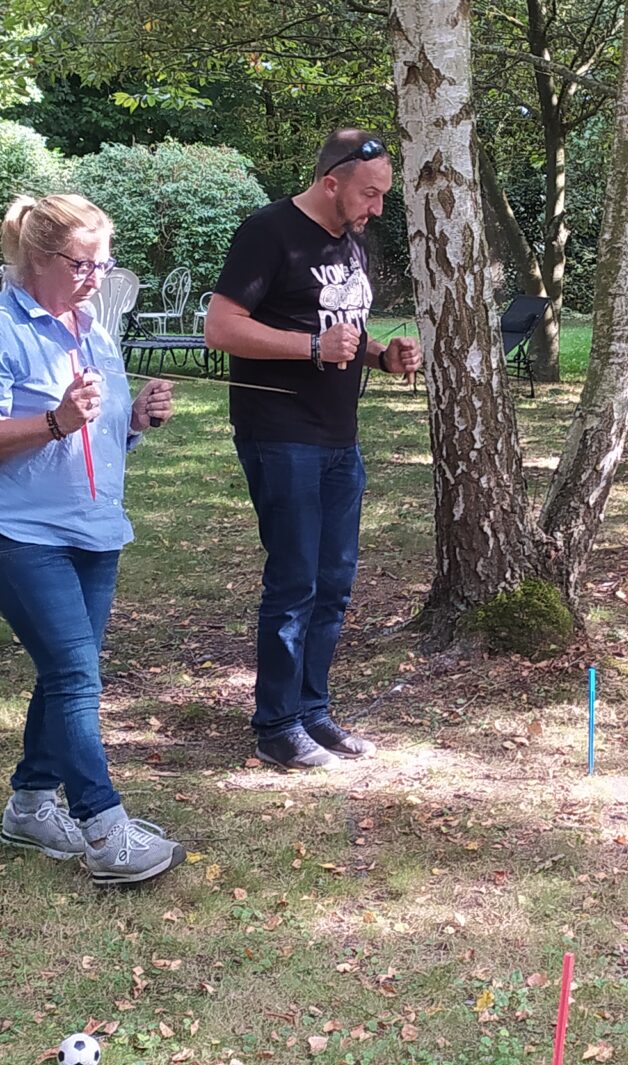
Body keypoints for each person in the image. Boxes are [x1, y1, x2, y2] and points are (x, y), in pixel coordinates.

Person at [0, 193, 186, 884]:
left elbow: (98, 436)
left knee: (65, 670)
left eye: (105, 265)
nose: (96, 279)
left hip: (93, 527)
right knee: (77, 674)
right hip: (18, 530)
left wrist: (134, 420)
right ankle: (104, 830)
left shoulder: (92, 332)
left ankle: (28, 805)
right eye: (84, 263)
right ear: (40, 257)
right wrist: (51, 421)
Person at [204, 129, 423, 770]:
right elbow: (221, 327)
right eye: (368, 195)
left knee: (334, 583)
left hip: (338, 436)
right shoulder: (268, 232)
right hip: (281, 434)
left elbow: (341, 328)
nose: (376, 209)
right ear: (331, 182)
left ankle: (312, 711)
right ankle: (275, 724)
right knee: (294, 581)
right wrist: (308, 350)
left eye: (383, 196)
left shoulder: (354, 242)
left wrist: (384, 356)